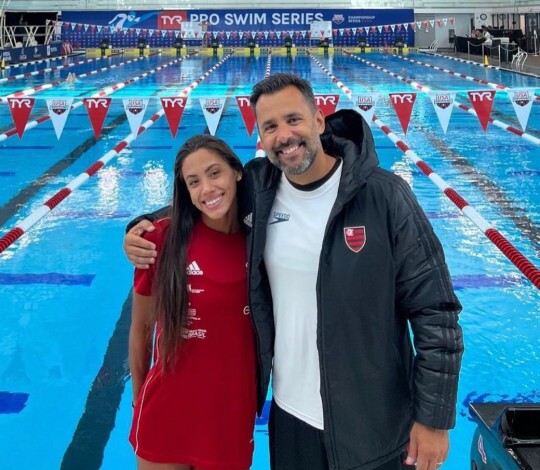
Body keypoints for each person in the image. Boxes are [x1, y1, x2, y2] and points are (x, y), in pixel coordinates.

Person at [124, 73, 464, 470]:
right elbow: (204, 200)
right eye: (270, 126)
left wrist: (434, 418)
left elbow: (436, 310)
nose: (284, 135)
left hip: (374, 422)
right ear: (261, 138)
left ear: (319, 121)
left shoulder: (385, 195)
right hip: (291, 418)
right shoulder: (260, 190)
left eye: (293, 120)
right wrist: (140, 225)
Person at [128, 134, 257, 470]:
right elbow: (141, 328)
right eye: (194, 182)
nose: (207, 190)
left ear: (236, 172)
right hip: (164, 414)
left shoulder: (261, 242)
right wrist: (138, 401)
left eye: (215, 174)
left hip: (229, 418)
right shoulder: (161, 240)